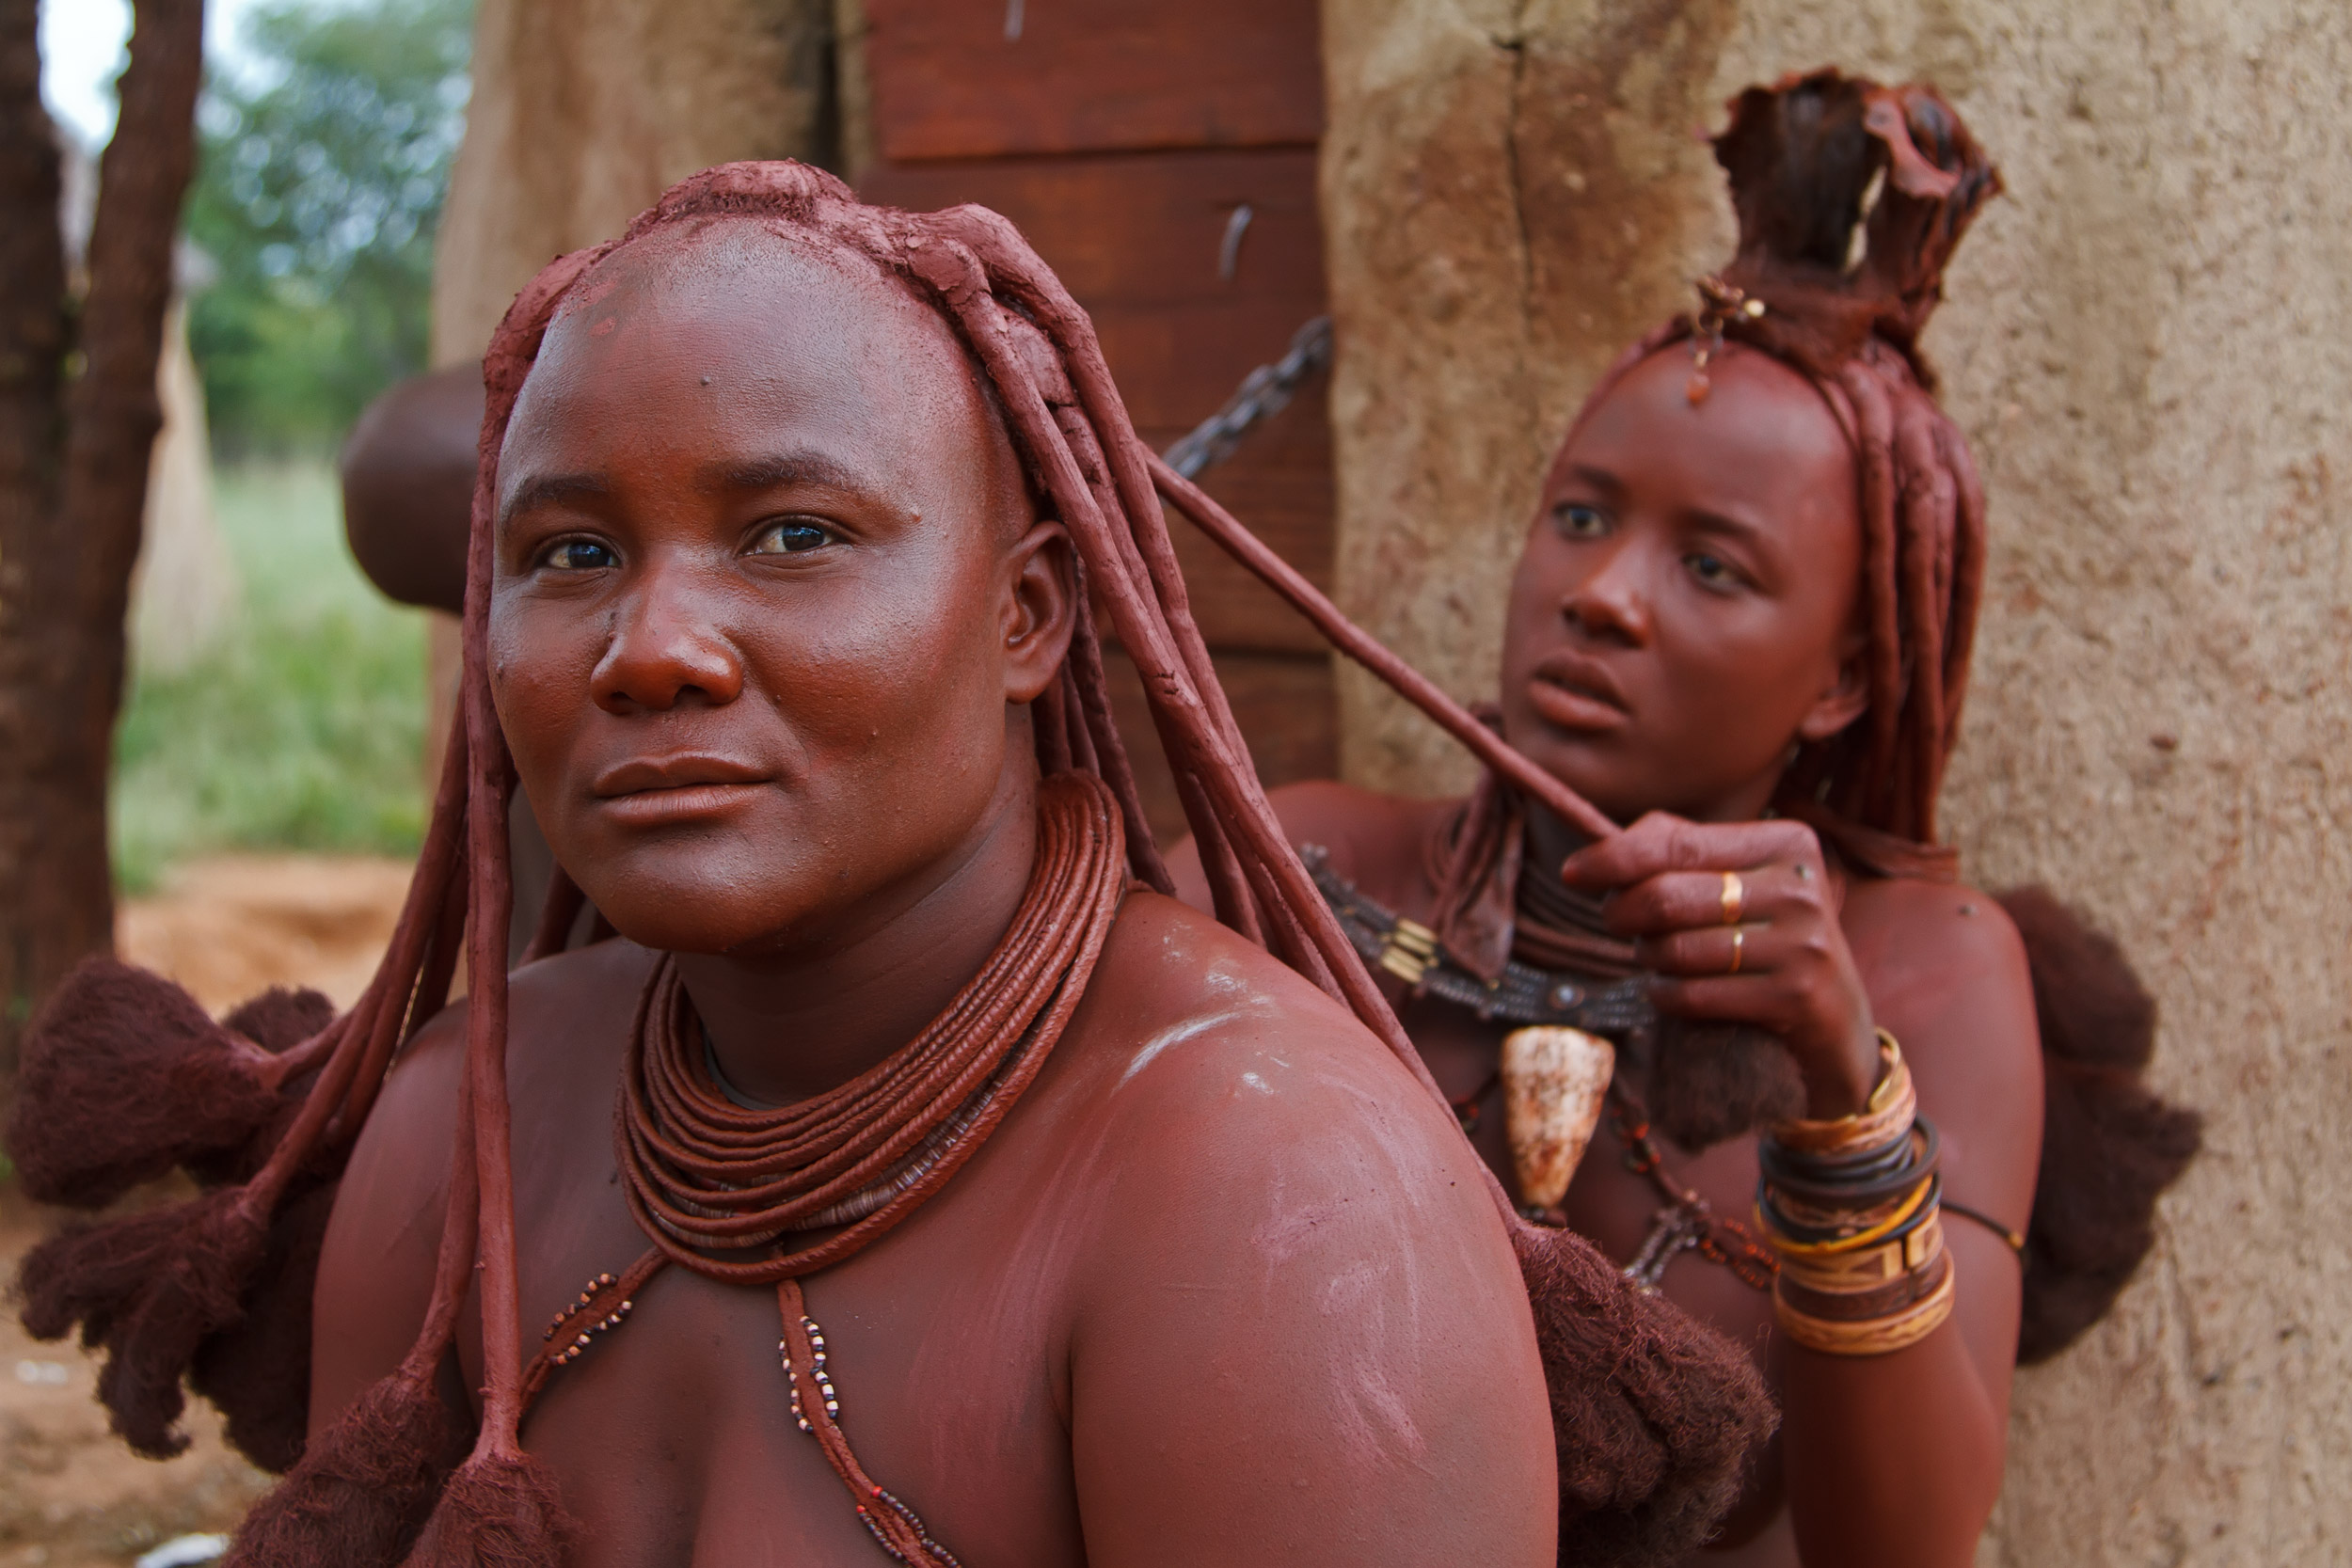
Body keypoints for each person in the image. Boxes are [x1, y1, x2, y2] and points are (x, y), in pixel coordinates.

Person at [7, 162, 1776, 1568]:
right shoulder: (466, 1121)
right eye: (567, 553)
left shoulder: (1275, 1211)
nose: (652, 646)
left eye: (793, 534)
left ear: (1025, 617)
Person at [1171, 71, 2198, 1567]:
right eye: (1581, 516)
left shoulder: (1919, 973)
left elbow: (1900, 1545)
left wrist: (1845, 1098)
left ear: (1845, 677)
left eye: (1711, 567)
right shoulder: (1308, 867)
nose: (1601, 593)